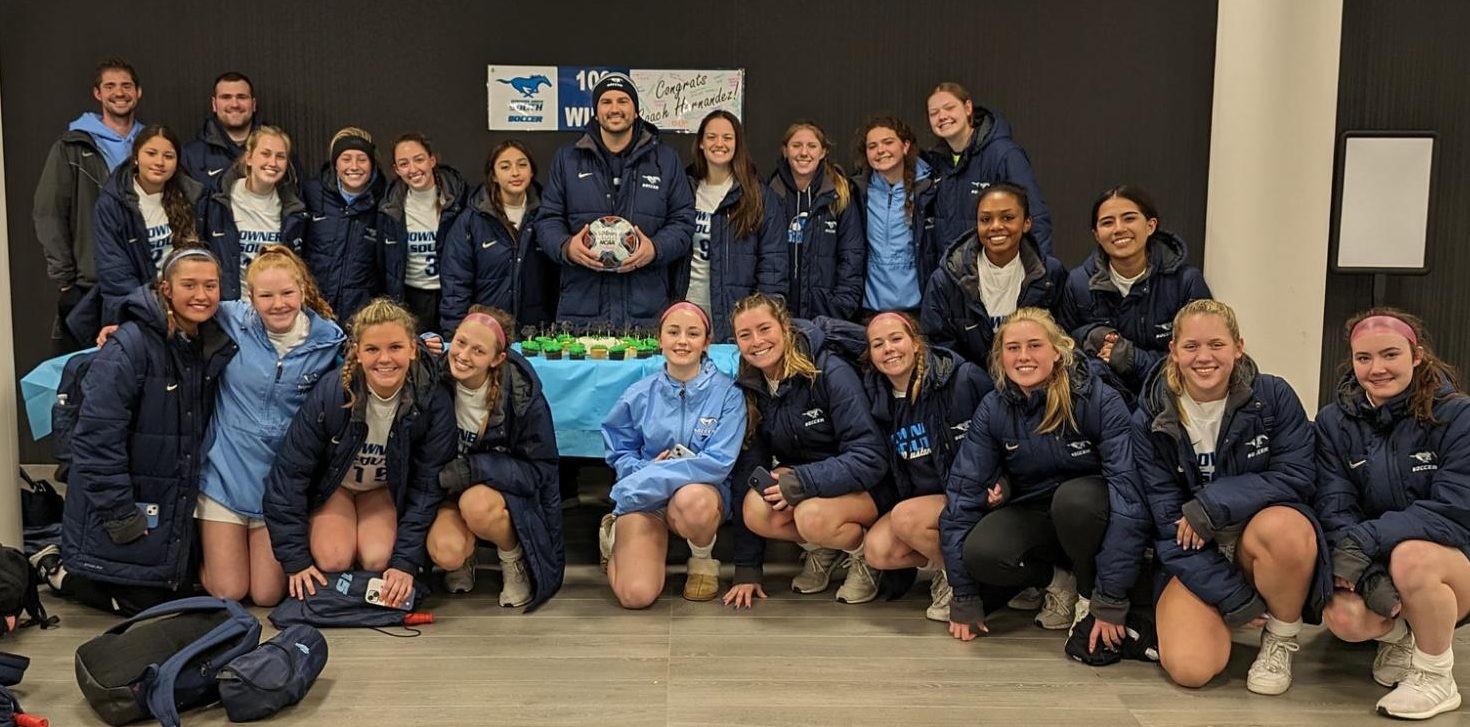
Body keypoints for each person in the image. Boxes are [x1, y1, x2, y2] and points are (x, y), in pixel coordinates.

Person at [1135, 299, 1326, 694]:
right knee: (1191, 670)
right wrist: (1234, 595)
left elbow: (1298, 477)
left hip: (1260, 537)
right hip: (1193, 551)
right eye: (1190, 347)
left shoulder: (1273, 396)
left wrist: (1213, 502)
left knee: (1288, 529)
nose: (1204, 357)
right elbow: (1166, 522)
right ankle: (1226, 612)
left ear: (1238, 347)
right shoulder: (1151, 416)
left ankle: (1280, 638)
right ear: (1173, 351)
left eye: (1217, 345)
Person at [42, 248, 237, 615]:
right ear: (165, 289)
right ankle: (61, 573)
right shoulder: (128, 346)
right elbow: (95, 441)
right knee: (149, 607)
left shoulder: (210, 340)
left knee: (190, 597)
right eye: (189, 285)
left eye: (210, 285)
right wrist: (121, 516)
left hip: (170, 503)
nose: (202, 295)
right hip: (127, 509)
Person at [940, 308, 1147, 645]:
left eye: (1034, 345)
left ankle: (1087, 593)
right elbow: (962, 493)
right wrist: (963, 596)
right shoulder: (993, 407)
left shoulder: (1097, 398)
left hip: (1093, 514)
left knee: (1074, 501)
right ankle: (1057, 583)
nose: (1023, 356)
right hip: (1037, 510)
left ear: (1057, 350)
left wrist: (1110, 597)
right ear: (1000, 357)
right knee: (981, 552)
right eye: (1013, 348)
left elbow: (1129, 495)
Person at [1316, 309, 1470, 720]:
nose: (1377, 368)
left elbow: (1455, 510)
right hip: (1380, 563)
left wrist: (1364, 542)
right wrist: (1370, 577)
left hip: (1451, 564)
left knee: (1411, 555)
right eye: (1363, 358)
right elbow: (1334, 508)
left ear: (1416, 355)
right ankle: (1404, 637)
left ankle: (1436, 677)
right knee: (1343, 617)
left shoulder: (1458, 415)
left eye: (1390, 355)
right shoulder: (1333, 422)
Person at [264, 299, 455, 608]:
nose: (384, 360)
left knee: (380, 559)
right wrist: (296, 560)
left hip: (381, 490)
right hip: (337, 488)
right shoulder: (332, 393)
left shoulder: (431, 399)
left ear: (413, 349)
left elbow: (426, 487)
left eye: (395, 347)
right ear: (357, 352)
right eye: (372, 350)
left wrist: (406, 562)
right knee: (333, 558)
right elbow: (290, 476)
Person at [195, 246, 343, 606]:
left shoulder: (329, 340)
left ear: (303, 291)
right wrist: (119, 326)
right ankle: (195, 562)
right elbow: (172, 308)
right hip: (224, 473)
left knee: (266, 595)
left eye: (287, 293)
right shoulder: (230, 319)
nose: (278, 304)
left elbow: (374, 356)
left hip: (277, 486)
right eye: (266, 295)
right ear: (250, 298)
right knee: (230, 592)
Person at [724, 294, 888, 609]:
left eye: (764, 329)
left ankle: (863, 556)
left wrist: (803, 480)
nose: (757, 341)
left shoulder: (829, 370)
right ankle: (822, 548)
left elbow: (871, 456)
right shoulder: (752, 384)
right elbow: (750, 468)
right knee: (755, 506)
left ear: (784, 328)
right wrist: (747, 569)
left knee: (810, 515)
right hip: (809, 482)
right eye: (745, 335)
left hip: (867, 485)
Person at [599, 303, 745, 607]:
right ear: (660, 339)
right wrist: (642, 467)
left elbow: (717, 464)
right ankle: (614, 539)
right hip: (646, 501)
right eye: (673, 332)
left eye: (693, 334)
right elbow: (620, 451)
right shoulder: (638, 394)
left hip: (697, 497)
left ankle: (702, 561)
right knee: (635, 596)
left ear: (707, 342)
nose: (682, 341)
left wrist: (646, 479)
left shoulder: (729, 395)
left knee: (694, 499)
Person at [427, 307, 563, 610]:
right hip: (446, 488)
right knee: (447, 552)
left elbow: (540, 470)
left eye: (479, 350)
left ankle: (513, 560)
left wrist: (474, 468)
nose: (463, 355)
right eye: (460, 343)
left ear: (497, 358)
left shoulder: (522, 394)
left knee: (475, 504)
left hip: (496, 493)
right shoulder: (434, 379)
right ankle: (465, 555)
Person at [535, 74, 695, 329]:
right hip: (581, 311)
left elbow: (683, 222)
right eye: (606, 102)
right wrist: (567, 247)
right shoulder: (567, 159)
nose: (615, 108)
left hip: (647, 312)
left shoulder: (665, 160)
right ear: (596, 112)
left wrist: (655, 249)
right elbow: (547, 220)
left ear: (636, 110)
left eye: (623, 101)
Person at [859, 312, 991, 621]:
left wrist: (999, 481)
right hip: (923, 500)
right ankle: (948, 570)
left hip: (969, 492)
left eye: (896, 339)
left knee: (906, 518)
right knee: (878, 549)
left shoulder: (962, 378)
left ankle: (962, 582)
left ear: (916, 343)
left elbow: (1002, 429)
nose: (888, 349)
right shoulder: (877, 397)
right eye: (878, 344)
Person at [34, 57, 144, 352]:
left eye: (126, 86)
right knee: (88, 374)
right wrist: (66, 280)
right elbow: (49, 214)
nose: (119, 92)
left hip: (141, 281)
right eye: (110, 86)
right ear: (98, 94)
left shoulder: (152, 145)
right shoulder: (71, 147)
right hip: (90, 284)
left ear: (138, 92)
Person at [1059, 185, 1211, 392]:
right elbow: (1062, 348)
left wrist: (1131, 358)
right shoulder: (1078, 283)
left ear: (1150, 225)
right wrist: (1089, 335)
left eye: (1129, 218)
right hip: (1101, 400)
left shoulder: (1186, 282)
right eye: (1107, 222)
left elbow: (1201, 357)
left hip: (1170, 398)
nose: (1119, 229)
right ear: (1096, 235)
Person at [921, 183, 1066, 366]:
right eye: (985, 219)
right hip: (969, 388)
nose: (996, 226)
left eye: (1007, 217)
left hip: (1034, 379)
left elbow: (1061, 338)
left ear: (1027, 223)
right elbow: (938, 350)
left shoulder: (1050, 274)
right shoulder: (946, 279)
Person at [674, 110, 786, 342]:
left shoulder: (759, 196)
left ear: (738, 144)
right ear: (701, 144)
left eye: (727, 137)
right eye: (712, 137)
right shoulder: (682, 189)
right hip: (686, 310)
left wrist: (761, 317)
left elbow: (773, 265)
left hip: (735, 315)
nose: (719, 144)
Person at [922, 81, 1053, 255]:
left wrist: (1040, 273)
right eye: (934, 113)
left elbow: (1035, 217)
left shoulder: (1004, 154)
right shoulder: (935, 163)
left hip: (994, 271)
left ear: (968, 107)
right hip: (949, 275)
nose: (942, 116)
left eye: (949, 108)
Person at [93, 125, 205, 327]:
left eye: (168, 156)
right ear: (136, 157)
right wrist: (158, 310)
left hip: (185, 310)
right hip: (135, 314)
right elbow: (115, 275)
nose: (159, 162)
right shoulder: (112, 204)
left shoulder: (190, 197)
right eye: (151, 153)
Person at [441, 141, 557, 333]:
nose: (515, 173)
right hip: (486, 334)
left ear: (532, 171)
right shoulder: (471, 220)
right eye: (505, 167)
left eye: (522, 165)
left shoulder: (548, 215)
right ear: (493, 175)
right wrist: (454, 335)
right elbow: (456, 285)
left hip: (537, 336)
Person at [198, 126, 308, 300]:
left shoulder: (294, 210)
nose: (273, 163)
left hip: (275, 308)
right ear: (249, 158)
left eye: (280, 156)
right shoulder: (218, 200)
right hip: (229, 310)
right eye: (265, 154)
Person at [768, 121, 864, 321]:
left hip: (827, 316)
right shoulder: (769, 194)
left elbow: (852, 256)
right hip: (778, 316)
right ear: (785, 151)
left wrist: (840, 306)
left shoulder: (840, 195)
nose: (804, 153)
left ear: (823, 152)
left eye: (812, 146)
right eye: (796, 146)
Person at [380, 133, 468, 334]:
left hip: (453, 297)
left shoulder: (460, 202)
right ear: (396, 170)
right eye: (404, 163)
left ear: (432, 160)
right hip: (411, 298)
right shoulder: (389, 208)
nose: (413, 169)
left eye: (419, 160)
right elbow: (383, 263)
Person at [853, 117, 938, 318]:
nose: (880, 150)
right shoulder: (857, 192)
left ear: (906, 146)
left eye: (888, 142)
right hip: (870, 310)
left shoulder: (930, 189)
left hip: (918, 310)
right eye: (872, 146)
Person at [302, 127, 387, 327]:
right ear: (335, 164)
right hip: (313, 312)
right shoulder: (311, 194)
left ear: (372, 164)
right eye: (346, 159)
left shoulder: (386, 201)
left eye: (362, 159)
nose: (354, 166)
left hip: (361, 318)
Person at [181, 71, 258, 183]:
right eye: (226, 97)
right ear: (214, 104)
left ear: (253, 104)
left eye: (242, 97)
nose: (235, 104)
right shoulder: (190, 156)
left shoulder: (276, 150)